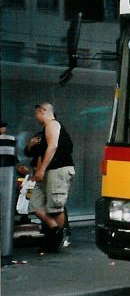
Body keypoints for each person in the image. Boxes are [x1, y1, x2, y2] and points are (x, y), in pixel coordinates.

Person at [25, 103, 75, 252]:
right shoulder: (42, 132)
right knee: (34, 203)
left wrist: (41, 170)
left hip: (57, 169)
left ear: (43, 112)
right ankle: (54, 229)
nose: (36, 117)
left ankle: (56, 238)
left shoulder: (53, 125)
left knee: (55, 206)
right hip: (47, 170)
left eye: (37, 114)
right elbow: (36, 152)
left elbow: (52, 146)